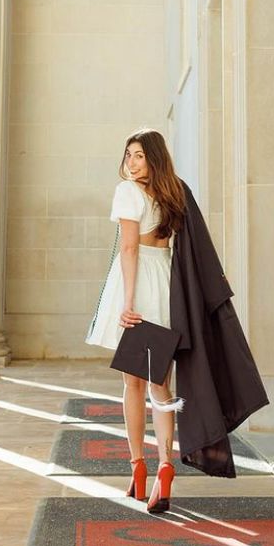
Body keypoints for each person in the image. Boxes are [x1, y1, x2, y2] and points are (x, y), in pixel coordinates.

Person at [85, 128, 186, 513]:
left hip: (139, 285)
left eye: (139, 155)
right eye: (128, 154)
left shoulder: (128, 193)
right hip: (165, 285)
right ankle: (164, 466)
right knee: (161, 385)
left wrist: (127, 302)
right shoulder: (172, 192)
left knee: (133, 384)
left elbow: (129, 247)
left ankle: (138, 467)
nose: (131, 162)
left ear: (153, 158)